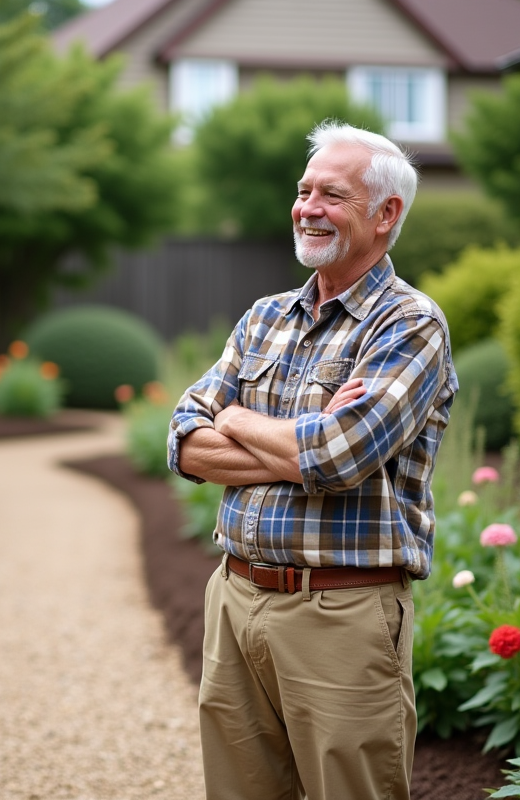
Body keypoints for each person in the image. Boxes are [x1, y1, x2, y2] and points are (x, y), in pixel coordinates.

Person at [167, 121, 457, 800]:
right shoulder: (265, 317)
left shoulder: (409, 324)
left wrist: (237, 419)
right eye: (304, 191)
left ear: (386, 215)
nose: (307, 208)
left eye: (332, 194)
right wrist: (297, 439)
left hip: (341, 614)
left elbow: (339, 457)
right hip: (235, 598)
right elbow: (184, 441)